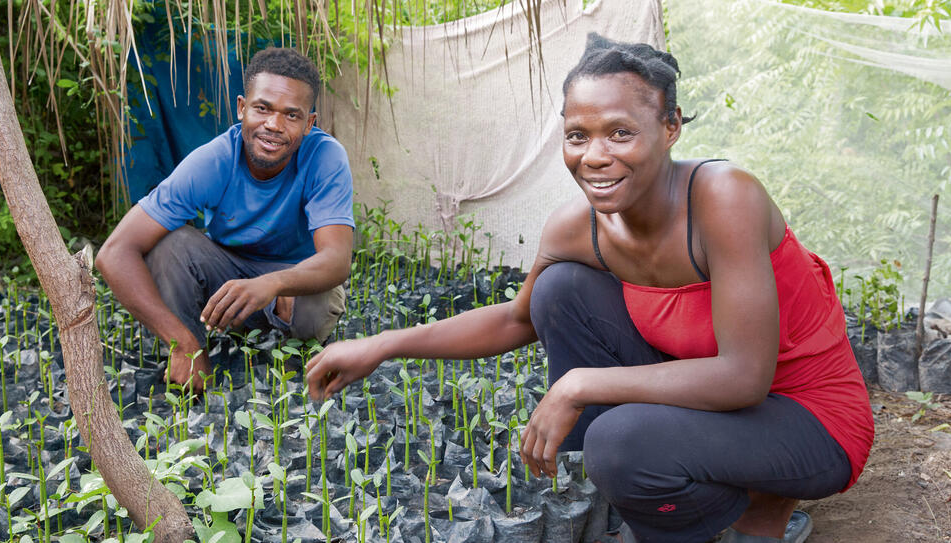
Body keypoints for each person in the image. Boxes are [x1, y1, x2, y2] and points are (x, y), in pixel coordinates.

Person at [305, 33, 874, 543]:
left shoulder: (723, 199)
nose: (595, 156)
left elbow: (745, 377)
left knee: (622, 442)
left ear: (670, 127)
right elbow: (516, 319)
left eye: (621, 132)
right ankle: (671, 500)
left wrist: (577, 385)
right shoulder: (577, 227)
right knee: (559, 289)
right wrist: (381, 345)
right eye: (578, 135)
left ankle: (754, 511)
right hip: (709, 403)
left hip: (806, 414)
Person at [96, 47, 354, 393]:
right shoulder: (213, 160)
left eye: (291, 116)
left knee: (318, 289)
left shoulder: (326, 157)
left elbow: (337, 261)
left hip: (292, 288)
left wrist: (272, 283)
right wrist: (179, 341)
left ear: (309, 123)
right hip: (228, 281)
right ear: (241, 108)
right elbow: (113, 253)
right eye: (262, 108)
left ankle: (297, 356)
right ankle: (192, 354)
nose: (273, 125)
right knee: (170, 243)